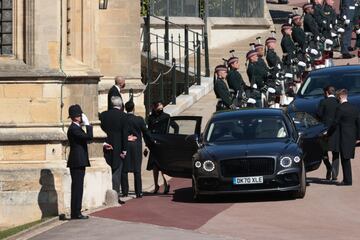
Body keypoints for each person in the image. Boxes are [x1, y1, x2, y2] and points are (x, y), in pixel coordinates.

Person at [121, 101, 153, 198]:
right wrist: (152, 141)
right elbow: (146, 132)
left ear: (125, 109)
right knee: (137, 169)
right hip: (136, 145)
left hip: (125, 144)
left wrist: (126, 137)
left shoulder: (122, 119)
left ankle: (125, 191)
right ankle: (138, 192)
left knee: (124, 170)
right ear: (133, 108)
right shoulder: (139, 119)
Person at [100, 96, 128, 203]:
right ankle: (115, 196)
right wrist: (124, 150)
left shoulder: (104, 115)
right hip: (118, 148)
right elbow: (124, 134)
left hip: (106, 146)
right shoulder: (123, 116)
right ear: (120, 105)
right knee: (116, 173)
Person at [67, 104, 93, 220]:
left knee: (78, 187)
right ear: (76, 117)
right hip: (77, 161)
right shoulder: (74, 129)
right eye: (80, 115)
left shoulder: (76, 128)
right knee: (77, 187)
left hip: (78, 161)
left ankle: (76, 211)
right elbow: (89, 137)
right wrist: (88, 125)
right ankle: (76, 212)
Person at [331, 89, 360, 185]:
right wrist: (358, 137)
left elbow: (335, 122)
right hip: (352, 136)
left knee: (344, 159)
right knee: (346, 158)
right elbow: (358, 124)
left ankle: (347, 180)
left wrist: (328, 133)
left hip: (343, 136)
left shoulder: (340, 109)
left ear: (339, 97)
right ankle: (347, 179)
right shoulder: (354, 108)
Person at [147, 101, 174, 194]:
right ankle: (156, 185)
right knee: (155, 166)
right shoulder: (151, 118)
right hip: (154, 144)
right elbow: (148, 132)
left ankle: (165, 184)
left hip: (162, 143)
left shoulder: (166, 116)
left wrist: (171, 137)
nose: (160, 109)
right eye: (158, 107)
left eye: (161, 107)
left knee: (162, 165)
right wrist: (147, 145)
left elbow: (175, 126)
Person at [317, 86, 340, 181]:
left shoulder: (323, 102)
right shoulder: (338, 102)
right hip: (336, 130)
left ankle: (328, 167)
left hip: (325, 130)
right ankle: (335, 174)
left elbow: (318, 114)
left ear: (326, 93)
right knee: (336, 153)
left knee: (323, 152)